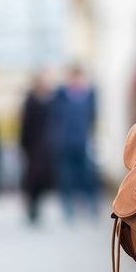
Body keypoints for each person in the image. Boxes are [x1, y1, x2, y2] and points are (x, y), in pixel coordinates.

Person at [48, 65, 99, 219]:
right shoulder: (60, 95)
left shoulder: (88, 95)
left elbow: (92, 117)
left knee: (87, 175)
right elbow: (54, 117)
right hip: (64, 142)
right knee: (66, 176)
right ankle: (67, 208)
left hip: (83, 141)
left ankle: (91, 206)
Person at [19, 72, 54, 224]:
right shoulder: (30, 102)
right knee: (32, 178)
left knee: (41, 179)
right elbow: (25, 126)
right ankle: (31, 207)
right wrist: (24, 145)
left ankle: (37, 207)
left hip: (44, 147)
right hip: (32, 146)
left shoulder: (48, 102)